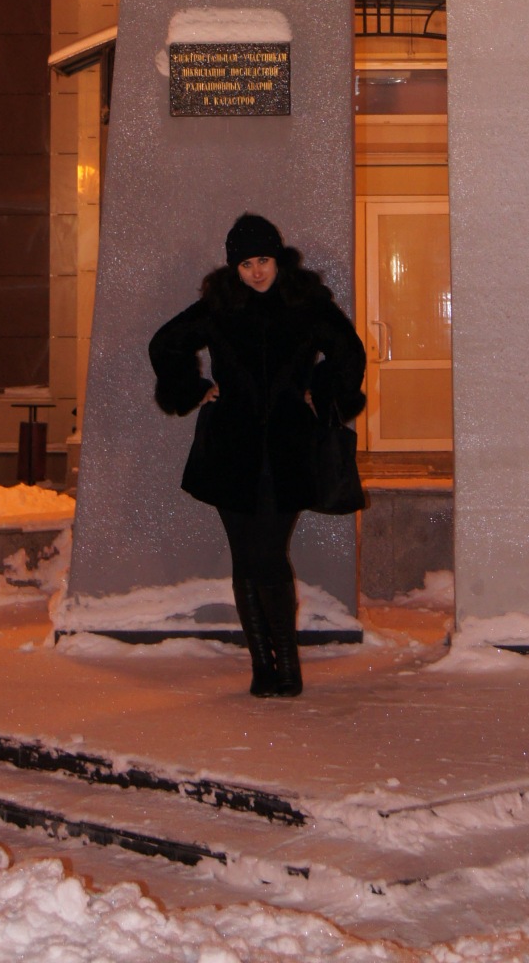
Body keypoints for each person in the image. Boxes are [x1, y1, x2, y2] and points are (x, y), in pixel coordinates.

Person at [149, 213, 366, 698]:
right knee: (246, 557)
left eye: (263, 260)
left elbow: (349, 352)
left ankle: (286, 663)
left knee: (268, 554)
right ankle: (261, 665)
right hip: (231, 449)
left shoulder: (305, 302)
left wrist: (321, 392)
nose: (256, 272)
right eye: (246, 264)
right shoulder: (220, 305)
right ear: (235, 267)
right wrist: (196, 389)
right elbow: (165, 344)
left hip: (289, 449)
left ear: (278, 258)